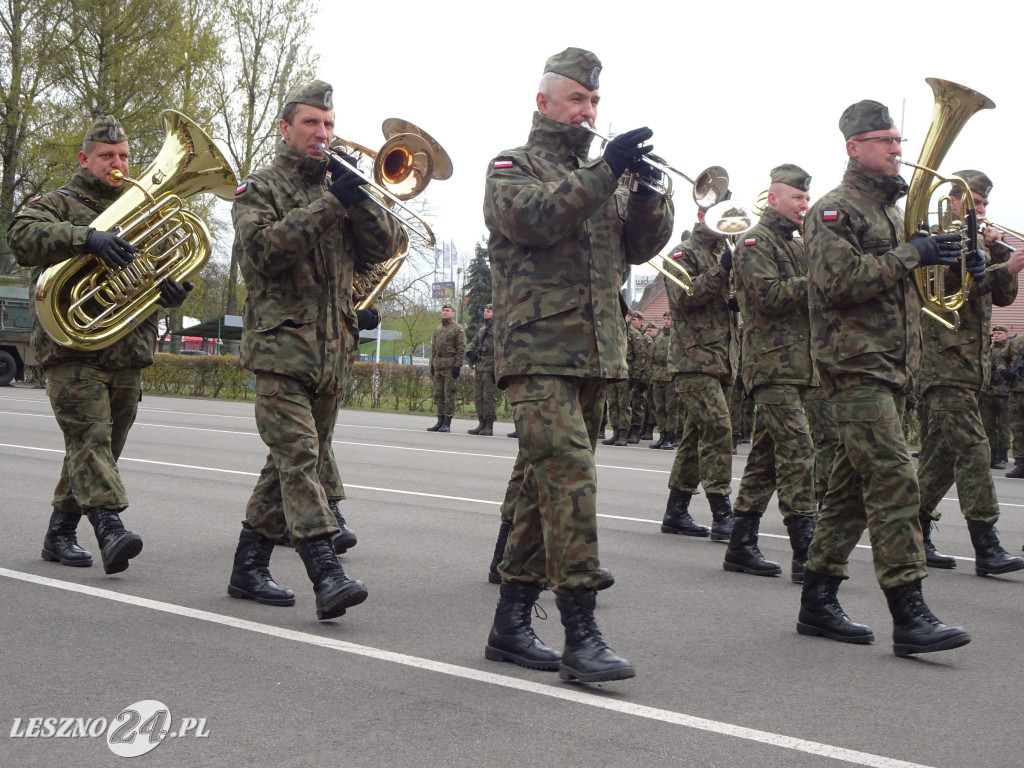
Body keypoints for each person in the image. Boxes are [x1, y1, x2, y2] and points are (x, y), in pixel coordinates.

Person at [482, 47, 673, 683]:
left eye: (593, 101)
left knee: (545, 490)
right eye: (576, 100)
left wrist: (646, 193)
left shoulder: (605, 175)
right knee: (571, 480)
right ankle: (581, 630)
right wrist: (605, 172)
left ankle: (510, 624)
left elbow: (643, 247)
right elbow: (536, 219)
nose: (588, 111)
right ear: (544, 104)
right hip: (535, 352)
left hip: (594, 354)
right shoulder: (512, 165)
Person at [227, 80, 407, 620]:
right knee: (301, 460)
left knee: (284, 463)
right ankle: (326, 572)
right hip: (280, 351)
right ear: (286, 129)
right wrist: (331, 203)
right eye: (311, 123)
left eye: (328, 124)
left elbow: (386, 246)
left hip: (331, 355)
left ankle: (247, 567)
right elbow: (262, 254)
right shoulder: (259, 188)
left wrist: (359, 197)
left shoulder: (342, 185)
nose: (322, 133)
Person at [800, 99, 970, 656]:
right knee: (897, 480)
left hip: (890, 369)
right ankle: (909, 611)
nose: (899, 150)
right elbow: (840, 283)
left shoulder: (892, 213)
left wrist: (940, 256)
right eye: (886, 141)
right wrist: (909, 254)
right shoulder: (832, 210)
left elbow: (907, 286)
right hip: (853, 367)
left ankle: (817, 601)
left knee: (850, 491)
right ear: (854, 148)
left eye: (899, 140)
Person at [8, 115, 191, 575]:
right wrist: (86, 238)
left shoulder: (142, 207)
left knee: (101, 447)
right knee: (89, 440)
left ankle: (59, 534)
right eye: (108, 156)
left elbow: (157, 268)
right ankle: (109, 527)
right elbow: (21, 237)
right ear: (84, 158)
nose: (118, 163)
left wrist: (169, 290)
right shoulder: (57, 203)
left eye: (125, 156)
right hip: (71, 352)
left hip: (127, 351)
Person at [916, 170, 1024, 576]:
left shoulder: (979, 241)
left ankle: (916, 529)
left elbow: (1004, 294)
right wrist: (996, 268)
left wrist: (999, 258)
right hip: (944, 363)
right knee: (975, 449)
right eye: (974, 203)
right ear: (953, 200)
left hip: (970, 367)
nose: (980, 211)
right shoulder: (937, 239)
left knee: (940, 459)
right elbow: (944, 295)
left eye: (984, 205)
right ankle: (986, 543)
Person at [724, 164, 817, 582]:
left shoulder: (797, 244)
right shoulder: (755, 241)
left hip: (797, 366)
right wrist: (821, 279)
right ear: (773, 197)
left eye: (806, 198)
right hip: (771, 363)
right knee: (798, 452)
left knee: (765, 459)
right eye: (797, 198)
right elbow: (770, 296)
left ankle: (740, 544)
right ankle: (806, 551)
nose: (805, 204)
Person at [660, 207, 738, 541]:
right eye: (720, 213)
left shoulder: (726, 251)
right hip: (693, 358)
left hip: (721, 358)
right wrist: (722, 271)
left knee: (695, 438)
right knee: (719, 429)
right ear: (703, 213)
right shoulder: (683, 252)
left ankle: (676, 511)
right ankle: (722, 512)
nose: (727, 221)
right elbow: (682, 297)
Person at [426, 303, 466, 433]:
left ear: (453, 313)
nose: (444, 312)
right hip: (438, 364)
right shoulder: (438, 329)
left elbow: (461, 349)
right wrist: (432, 364)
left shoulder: (457, 329)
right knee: (438, 394)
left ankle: (447, 422)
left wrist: (457, 366)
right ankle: (440, 420)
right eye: (443, 310)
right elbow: (434, 348)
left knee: (449, 394)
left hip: (450, 365)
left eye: (447, 310)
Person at [601, 310, 636, 447]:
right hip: (611, 373)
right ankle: (615, 432)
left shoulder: (633, 334)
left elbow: (640, 357)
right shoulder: (610, 331)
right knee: (613, 404)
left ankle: (623, 434)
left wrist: (636, 377)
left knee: (624, 405)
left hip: (624, 374)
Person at [980, 324, 1011, 469]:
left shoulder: (1010, 350)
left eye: (999, 333)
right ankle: (991, 454)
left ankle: (1002, 455)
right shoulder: (988, 350)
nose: (996, 336)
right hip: (988, 392)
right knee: (988, 426)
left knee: (1003, 426)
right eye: (995, 333)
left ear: (1006, 335)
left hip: (1004, 393)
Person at [995, 329, 1024, 477]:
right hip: (1016, 392)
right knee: (1017, 429)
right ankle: (1021, 464)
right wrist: (1003, 371)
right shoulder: (1015, 342)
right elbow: (1000, 358)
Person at [466, 303, 497, 435]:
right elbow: (472, 343)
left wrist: (497, 369)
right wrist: (469, 353)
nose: (486, 313)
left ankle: (489, 426)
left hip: (490, 368)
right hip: (479, 367)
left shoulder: (498, 330)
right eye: (485, 311)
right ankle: (481, 423)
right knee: (478, 397)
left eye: (489, 311)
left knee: (488, 397)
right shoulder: (482, 330)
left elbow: (501, 350)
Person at [649, 312, 677, 449]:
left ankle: (670, 437)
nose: (666, 321)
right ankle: (662, 436)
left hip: (671, 377)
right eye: (665, 319)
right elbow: (651, 357)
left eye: (669, 319)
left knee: (670, 409)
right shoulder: (659, 337)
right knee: (659, 408)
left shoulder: (677, 336)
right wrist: (653, 372)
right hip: (658, 377)